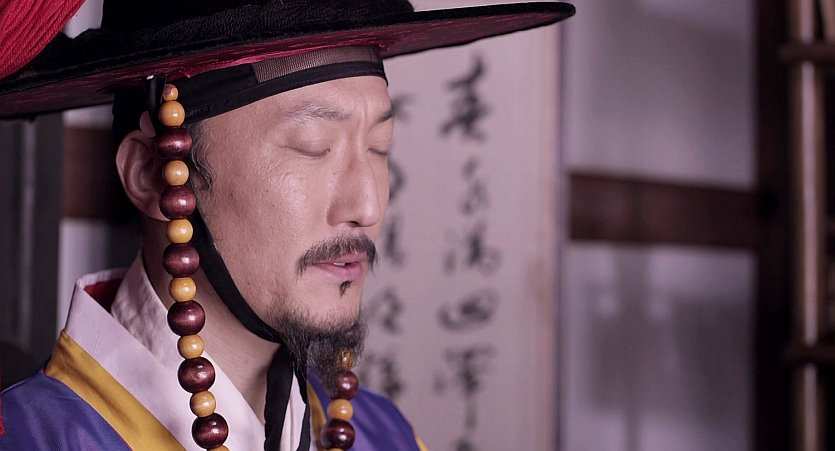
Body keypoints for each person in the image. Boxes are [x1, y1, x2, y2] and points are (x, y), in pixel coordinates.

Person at [0, 1, 574, 450]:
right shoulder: (35, 437)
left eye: (380, 148)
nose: (367, 205)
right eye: (313, 146)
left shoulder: (385, 436)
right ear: (153, 173)